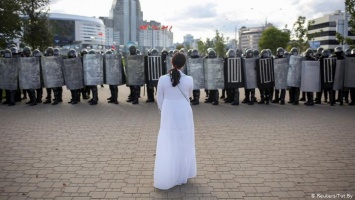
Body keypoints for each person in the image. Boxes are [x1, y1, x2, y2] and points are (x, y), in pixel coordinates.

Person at [154, 52, 196, 190]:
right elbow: (189, 95)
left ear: (171, 62)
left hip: (168, 112)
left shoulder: (162, 79)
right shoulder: (189, 79)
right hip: (184, 111)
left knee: (169, 141)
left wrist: (163, 111)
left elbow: (159, 99)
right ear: (184, 64)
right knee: (184, 141)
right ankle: (182, 174)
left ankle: (169, 173)